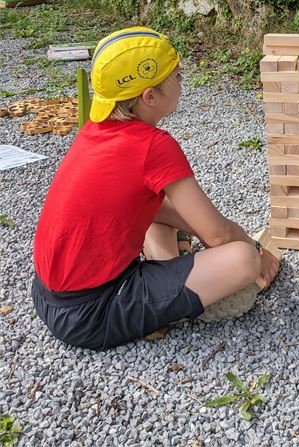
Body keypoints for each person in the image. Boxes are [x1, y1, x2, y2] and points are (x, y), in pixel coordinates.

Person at [32, 27, 279, 350]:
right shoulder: (153, 145)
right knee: (242, 259)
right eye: (176, 77)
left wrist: (199, 230)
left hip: (50, 299)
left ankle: (168, 275)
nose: (181, 83)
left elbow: (162, 211)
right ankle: (171, 296)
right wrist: (258, 251)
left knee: (157, 209)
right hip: (93, 312)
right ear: (150, 96)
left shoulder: (96, 129)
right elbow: (218, 235)